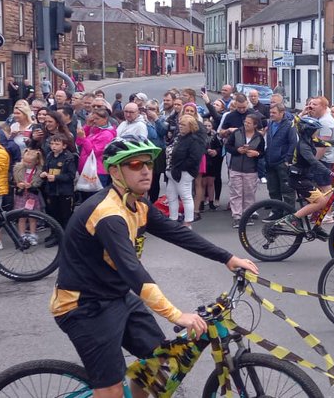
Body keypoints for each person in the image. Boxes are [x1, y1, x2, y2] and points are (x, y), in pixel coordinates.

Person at [50, 135, 258, 396]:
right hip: (84, 306)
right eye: (135, 165)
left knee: (158, 363)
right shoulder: (108, 215)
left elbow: (176, 232)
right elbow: (134, 273)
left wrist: (227, 257)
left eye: (148, 163)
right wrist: (176, 315)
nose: (146, 170)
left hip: (115, 295)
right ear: (115, 171)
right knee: (111, 388)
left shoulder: (136, 203)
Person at [284, 116, 334, 238]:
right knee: (321, 201)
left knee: (322, 200)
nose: (317, 133)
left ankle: (316, 227)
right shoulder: (304, 146)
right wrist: (331, 173)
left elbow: (325, 142)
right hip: (298, 179)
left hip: (304, 177)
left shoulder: (309, 140)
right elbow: (314, 162)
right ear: (308, 131)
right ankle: (292, 219)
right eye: (315, 130)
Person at [226, 114, 265, 228]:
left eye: (249, 123)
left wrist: (256, 153)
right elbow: (228, 146)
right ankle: (237, 217)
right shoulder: (237, 132)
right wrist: (237, 150)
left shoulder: (259, 137)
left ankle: (247, 215)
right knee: (236, 193)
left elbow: (262, 153)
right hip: (236, 168)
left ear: (255, 125)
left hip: (251, 170)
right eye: (245, 122)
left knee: (249, 194)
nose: (246, 124)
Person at [168, 115, 205, 227]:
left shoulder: (195, 140)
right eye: (180, 124)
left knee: (186, 197)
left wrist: (179, 167)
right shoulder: (180, 137)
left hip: (184, 173)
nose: (180, 127)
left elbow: (194, 159)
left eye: (183, 125)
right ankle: (173, 220)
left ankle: (188, 222)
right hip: (173, 172)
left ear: (191, 126)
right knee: (171, 197)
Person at [264, 103, 297, 205]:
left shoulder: (289, 125)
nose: (271, 114)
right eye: (270, 112)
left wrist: (287, 159)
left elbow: (293, 142)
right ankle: (276, 211)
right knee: (273, 189)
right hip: (270, 161)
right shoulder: (270, 124)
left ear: (282, 113)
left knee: (287, 189)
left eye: (274, 112)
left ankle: (289, 213)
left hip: (282, 162)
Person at [42, 134, 78, 228]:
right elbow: (45, 168)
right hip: (52, 190)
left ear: (64, 145)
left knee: (65, 215)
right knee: (53, 214)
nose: (53, 146)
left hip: (64, 191)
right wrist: (44, 174)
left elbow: (71, 175)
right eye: (52, 144)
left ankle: (64, 235)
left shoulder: (68, 157)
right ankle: (54, 234)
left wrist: (56, 177)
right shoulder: (49, 155)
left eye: (57, 144)